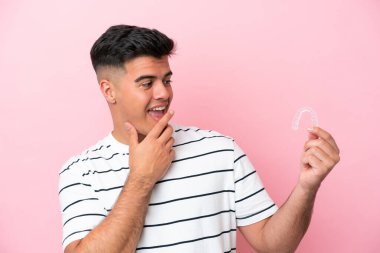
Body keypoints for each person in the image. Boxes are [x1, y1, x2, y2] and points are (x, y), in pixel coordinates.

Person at [58, 25, 340, 253]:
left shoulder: (220, 150)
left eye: (167, 80)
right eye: (147, 83)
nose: (163, 93)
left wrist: (307, 186)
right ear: (109, 91)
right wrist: (142, 179)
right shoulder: (82, 172)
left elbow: (275, 246)